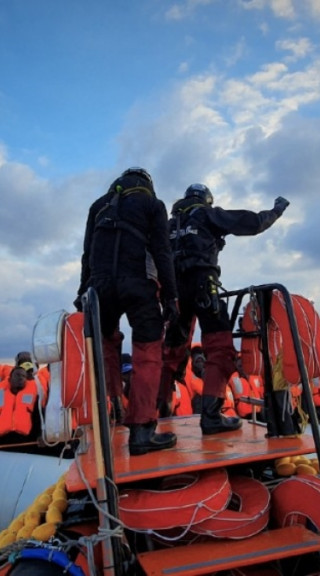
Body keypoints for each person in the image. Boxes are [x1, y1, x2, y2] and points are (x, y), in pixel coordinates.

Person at [162, 182, 289, 436]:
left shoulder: (167, 226)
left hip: (173, 294)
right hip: (202, 288)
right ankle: (211, 416)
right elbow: (252, 223)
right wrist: (276, 211)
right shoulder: (207, 214)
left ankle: (158, 412)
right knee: (220, 349)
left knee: (171, 353)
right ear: (206, 200)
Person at [75, 167, 179, 456]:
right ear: (148, 184)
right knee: (147, 354)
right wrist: (170, 296)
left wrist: (82, 291)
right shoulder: (153, 205)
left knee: (107, 346)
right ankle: (142, 432)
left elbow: (87, 253)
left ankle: (114, 408)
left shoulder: (99, 205)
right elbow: (162, 251)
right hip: (138, 284)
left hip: (100, 287)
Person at [0, 365, 42, 448]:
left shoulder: (33, 397)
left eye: (24, 376)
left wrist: (40, 435)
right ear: (9, 379)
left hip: (25, 442)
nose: (21, 378)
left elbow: (38, 419)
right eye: (17, 375)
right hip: (1, 441)